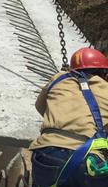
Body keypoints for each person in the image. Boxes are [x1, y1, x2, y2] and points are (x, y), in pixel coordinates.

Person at [30, 48, 108, 187]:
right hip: (87, 160)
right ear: (103, 72)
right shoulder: (106, 88)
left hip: (46, 152)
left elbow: (40, 107)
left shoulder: (58, 78)